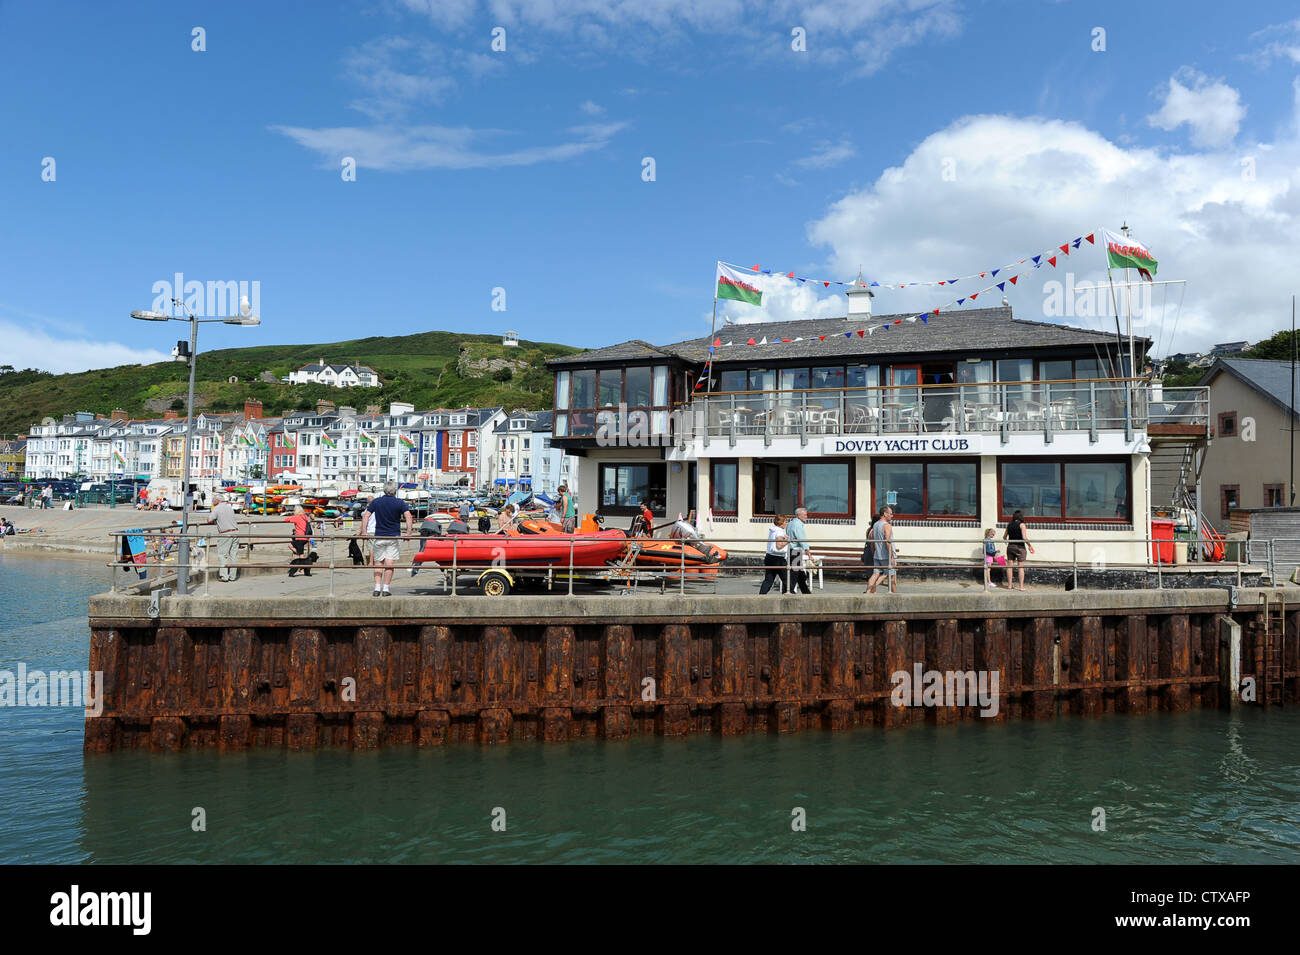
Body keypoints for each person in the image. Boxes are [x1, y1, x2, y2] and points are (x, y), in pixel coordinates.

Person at [361, 481, 413, 597]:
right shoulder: (399, 502)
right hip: (393, 537)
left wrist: (364, 532)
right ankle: (386, 588)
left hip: (379, 535)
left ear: (384, 490)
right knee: (389, 563)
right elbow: (408, 516)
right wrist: (408, 533)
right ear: (395, 490)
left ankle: (376, 588)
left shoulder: (376, 502)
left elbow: (366, 516)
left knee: (378, 562)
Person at [204, 493, 241, 582]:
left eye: (213, 500)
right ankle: (233, 576)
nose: (212, 501)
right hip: (236, 532)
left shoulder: (216, 509)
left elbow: (209, 520)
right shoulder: (229, 507)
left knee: (222, 555)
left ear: (218, 501)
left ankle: (224, 576)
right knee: (233, 556)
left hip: (226, 533)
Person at [866, 506, 897, 594]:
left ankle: (868, 592)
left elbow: (873, 542)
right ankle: (895, 598)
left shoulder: (875, 525)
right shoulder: (887, 526)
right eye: (890, 514)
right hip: (886, 556)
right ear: (885, 514)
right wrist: (891, 557)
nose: (892, 516)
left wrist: (874, 553)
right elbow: (888, 541)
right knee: (892, 578)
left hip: (877, 555)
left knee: (875, 574)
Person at [1003, 508, 1035, 591]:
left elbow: (1004, 537)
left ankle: (1010, 585)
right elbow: (1024, 537)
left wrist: (1007, 542)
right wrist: (1029, 545)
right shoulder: (1022, 525)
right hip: (1020, 547)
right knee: (1020, 567)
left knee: (1009, 566)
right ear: (1021, 517)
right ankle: (1021, 587)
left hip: (1010, 547)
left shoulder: (1009, 525)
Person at [759, 515, 790, 595]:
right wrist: (788, 541)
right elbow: (779, 546)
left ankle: (761, 597)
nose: (786, 523)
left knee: (769, 580)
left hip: (769, 556)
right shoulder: (779, 531)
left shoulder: (773, 530)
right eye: (785, 521)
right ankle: (787, 597)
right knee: (787, 580)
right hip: (778, 558)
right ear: (781, 523)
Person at [786, 506, 812, 595]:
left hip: (791, 550)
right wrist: (809, 553)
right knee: (795, 573)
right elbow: (802, 540)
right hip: (795, 551)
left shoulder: (791, 523)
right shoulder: (797, 525)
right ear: (798, 515)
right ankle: (790, 591)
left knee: (800, 573)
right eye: (804, 515)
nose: (806, 516)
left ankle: (806, 592)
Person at [283, 504, 314, 577]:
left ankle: (302, 569)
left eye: (294, 510)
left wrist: (291, 517)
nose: (293, 511)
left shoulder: (297, 517)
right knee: (292, 545)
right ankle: (301, 565)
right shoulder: (305, 517)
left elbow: (286, 519)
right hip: (306, 537)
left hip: (300, 538)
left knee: (301, 554)